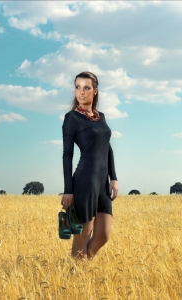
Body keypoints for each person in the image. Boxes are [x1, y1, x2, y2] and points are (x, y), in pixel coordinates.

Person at [60, 71, 119, 260]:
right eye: (78, 87)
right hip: (85, 181)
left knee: (103, 235)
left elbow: (108, 149)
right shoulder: (72, 118)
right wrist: (68, 190)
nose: (81, 92)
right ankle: (77, 276)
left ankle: (81, 266)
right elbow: (67, 155)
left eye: (86, 88)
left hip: (102, 183)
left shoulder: (100, 117)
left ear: (95, 91)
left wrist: (114, 178)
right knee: (82, 236)